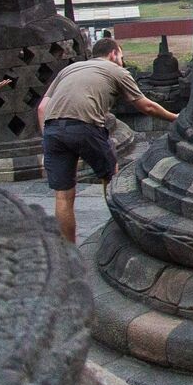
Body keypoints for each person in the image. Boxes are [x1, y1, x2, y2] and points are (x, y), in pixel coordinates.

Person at [37, 36, 177, 243]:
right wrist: (176, 118)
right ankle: (119, 232)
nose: (122, 61)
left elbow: (41, 108)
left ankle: (69, 251)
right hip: (85, 127)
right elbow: (145, 106)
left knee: (63, 196)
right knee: (112, 178)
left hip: (52, 129)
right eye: (121, 56)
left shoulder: (69, 70)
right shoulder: (116, 71)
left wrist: (49, 137)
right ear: (113, 53)